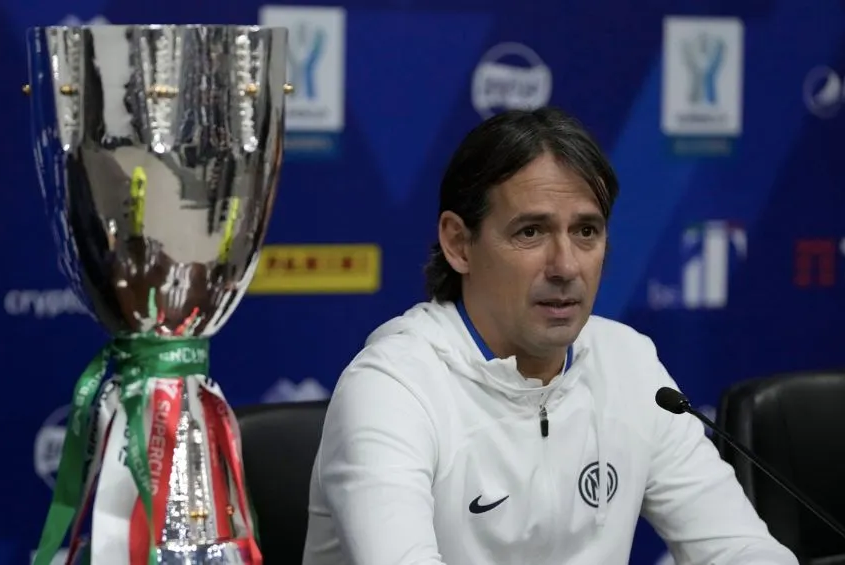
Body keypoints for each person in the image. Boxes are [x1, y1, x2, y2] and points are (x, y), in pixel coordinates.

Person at [300, 107, 796, 565]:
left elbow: (739, 548)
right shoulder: (392, 388)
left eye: (586, 232)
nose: (565, 267)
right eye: (531, 232)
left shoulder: (629, 364)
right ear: (458, 243)